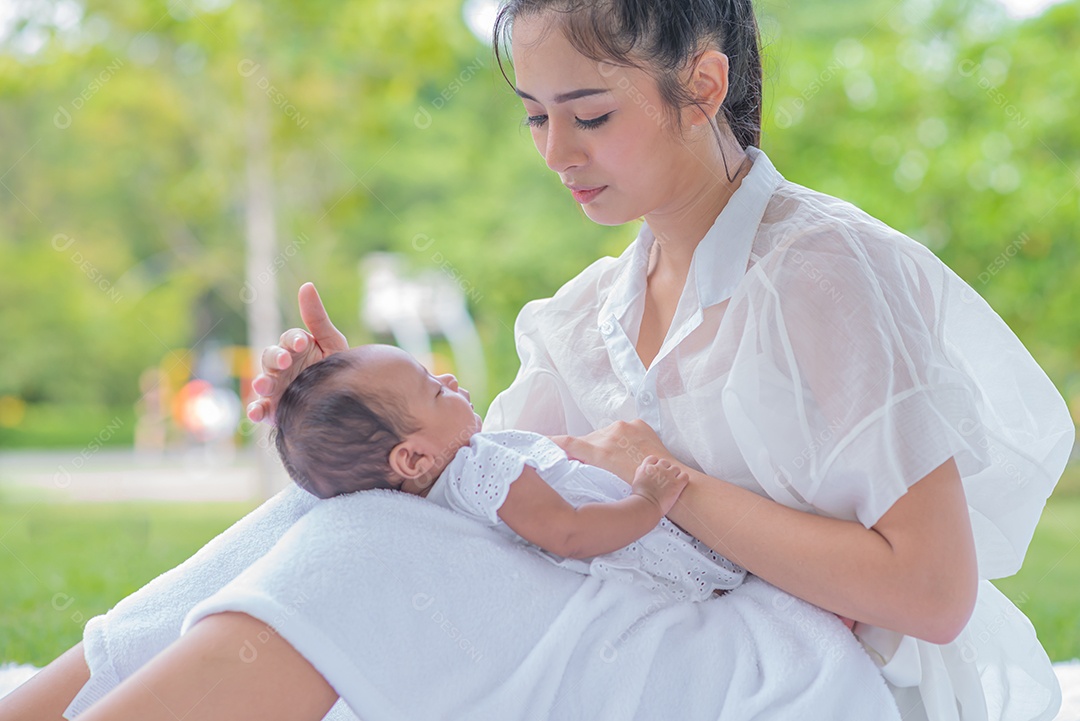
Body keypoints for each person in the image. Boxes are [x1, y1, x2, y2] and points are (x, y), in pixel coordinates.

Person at [1, 0, 1072, 719]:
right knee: (349, 519)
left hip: (802, 667)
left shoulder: (821, 271)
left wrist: (676, 485)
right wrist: (365, 409)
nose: (558, 152)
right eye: (535, 118)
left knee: (371, 556)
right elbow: (469, 493)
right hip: (663, 625)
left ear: (702, 86)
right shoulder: (594, 309)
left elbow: (930, 593)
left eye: (590, 115)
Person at [273, 344, 746, 601]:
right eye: (436, 392)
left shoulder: (434, 494)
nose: (450, 381)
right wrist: (647, 499)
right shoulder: (478, 468)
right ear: (413, 460)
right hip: (643, 541)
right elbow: (572, 534)